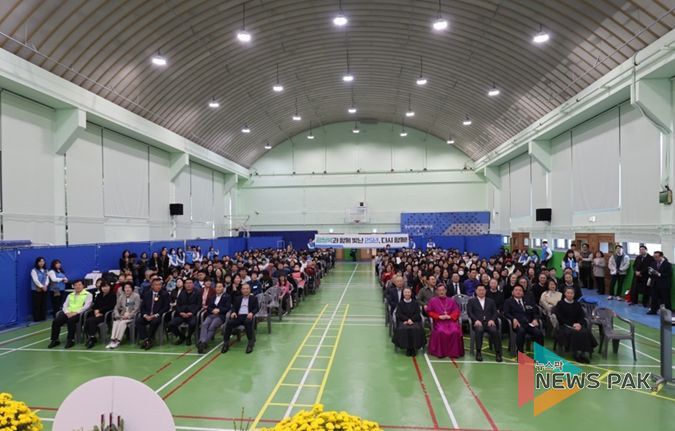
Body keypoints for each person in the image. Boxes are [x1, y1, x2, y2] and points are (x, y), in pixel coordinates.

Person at [553, 287, 597, 363]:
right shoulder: (560, 303)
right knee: (574, 332)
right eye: (568, 293)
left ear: (574, 294)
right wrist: (572, 325)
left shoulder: (577, 304)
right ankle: (575, 353)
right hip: (565, 325)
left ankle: (583, 354)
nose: (570, 295)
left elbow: (581, 316)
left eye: (571, 293)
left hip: (577, 325)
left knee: (585, 332)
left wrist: (579, 324)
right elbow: (560, 318)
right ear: (565, 293)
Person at [48, 280, 92, 349]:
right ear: (73, 286)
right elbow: (65, 305)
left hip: (79, 314)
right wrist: (67, 312)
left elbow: (86, 306)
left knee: (70, 321)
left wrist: (76, 312)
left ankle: (70, 340)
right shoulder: (70, 295)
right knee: (56, 321)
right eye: (75, 285)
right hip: (68, 313)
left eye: (79, 285)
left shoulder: (88, 294)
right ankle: (55, 340)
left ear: (83, 286)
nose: (77, 286)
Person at [426, 285, 464, 359]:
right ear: (436, 291)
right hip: (439, 322)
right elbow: (429, 311)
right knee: (441, 331)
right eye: (439, 290)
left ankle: (454, 353)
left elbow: (457, 311)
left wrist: (450, 316)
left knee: (455, 331)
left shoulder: (451, 300)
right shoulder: (433, 300)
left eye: (443, 290)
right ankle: (441, 353)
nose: (441, 292)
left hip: (451, 321)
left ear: (446, 291)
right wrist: (438, 316)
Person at [503, 285, 544, 353]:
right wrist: (513, 319)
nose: (518, 292)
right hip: (517, 324)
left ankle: (540, 354)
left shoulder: (528, 301)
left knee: (538, 333)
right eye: (516, 290)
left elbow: (535, 312)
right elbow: (506, 313)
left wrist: (535, 319)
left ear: (523, 293)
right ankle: (520, 353)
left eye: (520, 290)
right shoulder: (508, 301)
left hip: (529, 323)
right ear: (512, 292)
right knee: (521, 331)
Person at [467, 285, 502, 362]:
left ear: (485, 291)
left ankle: (498, 352)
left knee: (494, 331)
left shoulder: (491, 301)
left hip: (489, 322)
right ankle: (478, 352)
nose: (481, 292)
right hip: (478, 322)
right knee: (479, 330)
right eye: (479, 290)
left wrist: (492, 320)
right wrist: (475, 320)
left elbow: (495, 312)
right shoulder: (471, 301)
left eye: (483, 290)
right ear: (476, 291)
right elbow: (470, 313)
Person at [222, 283, 259, 354]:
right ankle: (226, 343)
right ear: (241, 290)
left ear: (250, 289)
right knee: (229, 323)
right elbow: (234, 307)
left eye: (247, 289)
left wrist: (252, 313)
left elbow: (256, 308)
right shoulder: (238, 298)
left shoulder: (254, 298)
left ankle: (250, 343)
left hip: (247, 316)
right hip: (238, 316)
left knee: (248, 323)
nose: (245, 290)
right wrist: (233, 312)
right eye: (244, 289)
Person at [136, 278, 170, 350]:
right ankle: (146, 339)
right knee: (138, 321)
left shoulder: (165, 294)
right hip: (147, 315)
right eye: (156, 285)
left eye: (160, 285)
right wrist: (145, 315)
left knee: (154, 322)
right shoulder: (146, 294)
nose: (158, 286)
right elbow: (142, 307)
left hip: (157, 316)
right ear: (152, 286)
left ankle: (149, 340)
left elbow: (166, 307)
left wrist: (155, 315)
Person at [198, 282, 231, 353]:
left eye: (220, 287)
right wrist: (212, 310)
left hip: (221, 316)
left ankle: (203, 343)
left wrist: (219, 310)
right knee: (204, 324)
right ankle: (202, 341)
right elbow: (209, 307)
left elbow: (228, 308)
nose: (218, 288)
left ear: (223, 288)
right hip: (211, 314)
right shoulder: (212, 297)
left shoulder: (227, 296)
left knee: (212, 326)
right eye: (217, 287)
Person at [392, 287, 426, 356]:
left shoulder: (415, 303)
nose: (407, 294)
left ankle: (413, 348)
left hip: (414, 321)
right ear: (403, 293)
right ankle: (407, 348)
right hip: (403, 322)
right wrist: (407, 320)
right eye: (405, 292)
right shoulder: (400, 304)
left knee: (416, 329)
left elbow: (418, 314)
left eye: (408, 292)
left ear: (411, 293)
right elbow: (399, 314)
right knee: (403, 329)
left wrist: (412, 320)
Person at [106, 283, 141, 349]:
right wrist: (117, 315)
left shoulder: (136, 296)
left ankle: (118, 341)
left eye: (129, 287)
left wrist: (129, 316)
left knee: (122, 323)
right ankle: (113, 340)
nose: (127, 289)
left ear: (132, 289)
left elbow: (137, 309)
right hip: (122, 316)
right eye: (126, 288)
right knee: (116, 322)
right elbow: (116, 308)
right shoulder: (122, 296)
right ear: (123, 289)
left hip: (132, 316)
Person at [167, 278, 201, 345]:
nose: (188, 285)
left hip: (192, 314)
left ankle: (189, 337)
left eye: (190, 283)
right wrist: (180, 312)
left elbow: (199, 305)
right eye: (187, 283)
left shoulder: (197, 293)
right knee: (171, 324)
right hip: (181, 315)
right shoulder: (181, 294)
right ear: (184, 285)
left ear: (193, 284)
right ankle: (181, 337)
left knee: (193, 323)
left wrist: (192, 313)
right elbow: (177, 305)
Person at [83, 281, 116, 348]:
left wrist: (100, 311)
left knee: (91, 320)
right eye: (103, 287)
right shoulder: (99, 295)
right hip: (97, 313)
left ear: (110, 287)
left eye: (107, 286)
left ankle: (92, 338)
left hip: (106, 315)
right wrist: (96, 311)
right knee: (87, 319)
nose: (105, 288)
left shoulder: (113, 295)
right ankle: (91, 337)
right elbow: (95, 305)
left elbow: (111, 306)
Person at [31, 257, 49, 322]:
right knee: (36, 304)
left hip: (44, 289)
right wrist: (42, 286)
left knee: (43, 304)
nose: (42, 263)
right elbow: (35, 280)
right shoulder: (34, 270)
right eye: (40, 261)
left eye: (43, 261)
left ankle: (43, 317)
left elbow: (47, 279)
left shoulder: (46, 270)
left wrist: (46, 285)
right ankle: (36, 318)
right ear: (37, 262)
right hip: (36, 290)